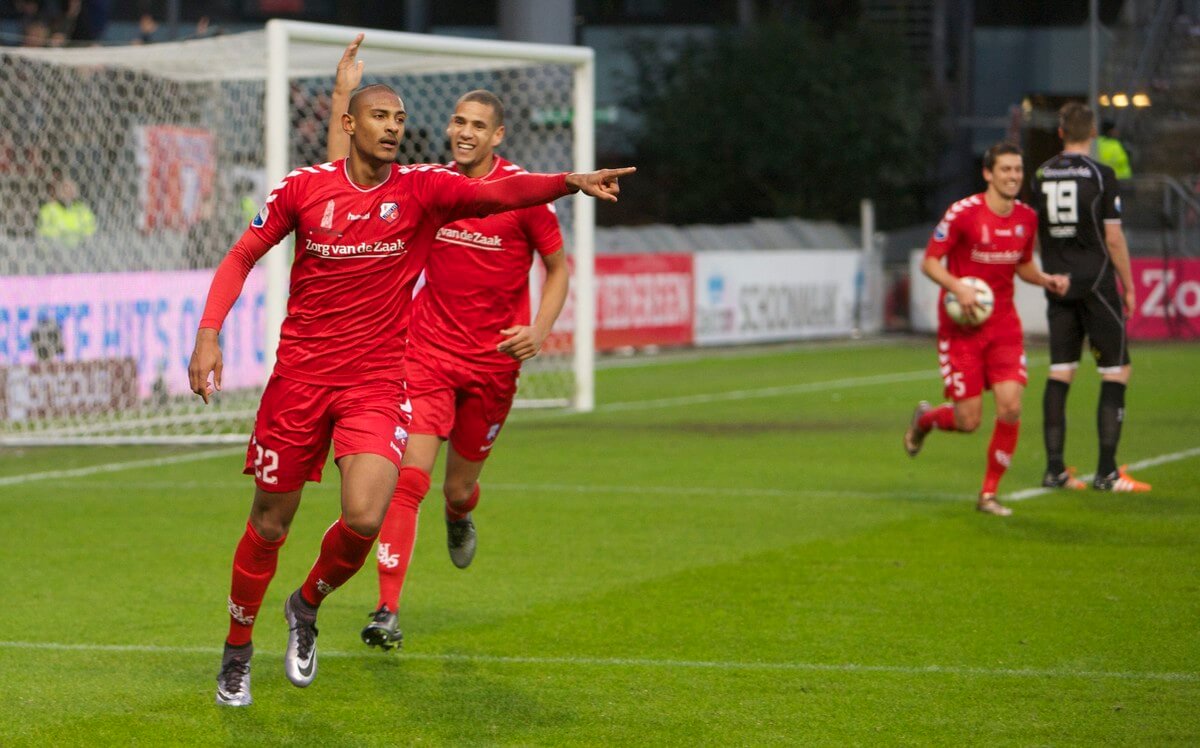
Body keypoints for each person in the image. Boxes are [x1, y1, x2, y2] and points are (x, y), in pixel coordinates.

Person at [188, 74, 634, 707]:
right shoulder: (303, 190)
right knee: (268, 521)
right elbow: (239, 257)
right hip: (298, 383)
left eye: (400, 117)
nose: (395, 126)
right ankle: (237, 649)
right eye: (380, 116)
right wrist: (209, 335)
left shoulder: (423, 188)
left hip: (377, 383)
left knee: (366, 516)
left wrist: (567, 182)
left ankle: (305, 603)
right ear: (350, 124)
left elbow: (500, 192)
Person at [323, 37, 571, 651]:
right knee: (409, 479)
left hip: (493, 362)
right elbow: (342, 179)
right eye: (458, 121)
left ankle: (459, 517)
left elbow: (559, 267)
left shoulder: (521, 196)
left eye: (477, 125)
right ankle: (386, 609)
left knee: (456, 489)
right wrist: (341, 98)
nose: (463, 131)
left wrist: (539, 330)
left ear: (498, 136)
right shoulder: (427, 186)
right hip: (425, 351)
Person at [903, 142, 1070, 516]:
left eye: (1017, 170)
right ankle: (926, 419)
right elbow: (931, 262)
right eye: (1005, 170)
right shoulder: (963, 214)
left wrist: (1044, 279)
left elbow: (1023, 265)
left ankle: (988, 494)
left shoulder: (1026, 218)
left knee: (1010, 407)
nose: (1013, 176)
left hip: (1004, 328)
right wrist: (958, 286)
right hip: (961, 330)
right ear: (988, 174)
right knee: (969, 421)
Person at [1031, 103, 1151, 493]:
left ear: (1061, 131)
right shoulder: (1102, 175)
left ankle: (1054, 471)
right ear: (1094, 132)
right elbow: (1113, 237)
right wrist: (1129, 286)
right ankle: (1107, 472)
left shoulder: (1041, 174)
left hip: (1057, 282)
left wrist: (1047, 270)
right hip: (1096, 282)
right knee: (1115, 371)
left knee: (1061, 369)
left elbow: (1036, 231)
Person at [37, 173, 96, 247]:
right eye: (65, 189)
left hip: (80, 248)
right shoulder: (48, 210)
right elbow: (43, 233)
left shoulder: (83, 209)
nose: (68, 193)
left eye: (71, 189)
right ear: (59, 192)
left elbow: (91, 229)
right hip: (55, 250)